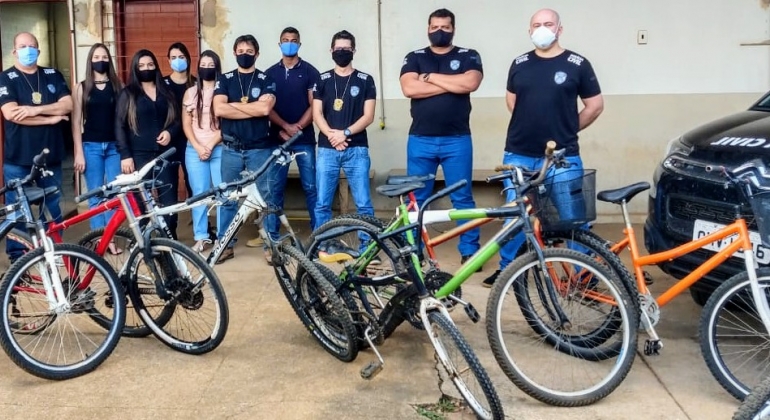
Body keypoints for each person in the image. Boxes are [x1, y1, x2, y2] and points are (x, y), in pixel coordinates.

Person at [482, 8, 604, 287]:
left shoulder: (577, 64)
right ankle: (507, 270)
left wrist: (566, 129)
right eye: (536, 24)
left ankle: (583, 275)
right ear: (529, 30)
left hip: (563, 157)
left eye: (548, 24)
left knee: (572, 219)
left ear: (560, 29)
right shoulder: (520, 63)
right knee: (514, 217)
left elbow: (595, 106)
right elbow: (512, 100)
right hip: (518, 154)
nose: (542, 29)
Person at [399, 8, 484, 268]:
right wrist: (450, 84)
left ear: (453, 29)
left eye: (445, 28)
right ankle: (414, 250)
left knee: (463, 198)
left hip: (456, 140)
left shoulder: (468, 55)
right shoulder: (414, 57)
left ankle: (469, 251)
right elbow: (408, 88)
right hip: (420, 139)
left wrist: (429, 78)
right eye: (435, 27)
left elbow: (469, 84)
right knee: (417, 198)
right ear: (427, 28)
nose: (440, 32)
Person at [0, 32, 72, 262]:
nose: (28, 50)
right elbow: (11, 114)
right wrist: (51, 118)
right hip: (18, 158)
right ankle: (18, 256)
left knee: (51, 206)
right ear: (14, 51)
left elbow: (68, 105)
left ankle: (54, 250)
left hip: (49, 158)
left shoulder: (52, 75)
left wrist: (33, 110)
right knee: (17, 211)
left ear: (39, 51)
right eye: (23, 46)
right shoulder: (6, 78)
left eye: (32, 46)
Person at [246, 26, 320, 248]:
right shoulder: (269, 74)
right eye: (285, 40)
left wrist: (298, 127)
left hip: (304, 139)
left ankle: (319, 235)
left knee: (311, 188)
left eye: (293, 40)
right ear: (279, 45)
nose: (290, 43)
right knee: (274, 189)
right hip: (277, 140)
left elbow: (314, 105)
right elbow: (266, 107)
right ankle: (271, 237)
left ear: (299, 44)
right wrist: (285, 126)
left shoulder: (310, 72)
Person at [212, 34, 278, 264]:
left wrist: (235, 107)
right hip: (231, 149)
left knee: (267, 199)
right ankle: (225, 245)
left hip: (259, 149)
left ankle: (271, 246)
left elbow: (265, 110)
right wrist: (252, 107)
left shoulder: (265, 79)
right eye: (240, 51)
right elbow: (219, 110)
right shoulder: (225, 79)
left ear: (257, 54)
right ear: (234, 53)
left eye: (249, 51)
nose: (244, 55)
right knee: (228, 199)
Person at [312, 30, 377, 239]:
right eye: (338, 49)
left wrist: (345, 133)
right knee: (322, 203)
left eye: (346, 49)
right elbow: (317, 113)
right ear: (331, 50)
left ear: (354, 51)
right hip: (327, 149)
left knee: (364, 204)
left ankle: (367, 247)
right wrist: (333, 136)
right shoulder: (321, 80)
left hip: (357, 149)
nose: (341, 52)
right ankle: (323, 244)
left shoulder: (366, 80)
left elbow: (368, 116)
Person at [115, 49, 182, 239]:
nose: (146, 69)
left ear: (156, 67)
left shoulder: (166, 91)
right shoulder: (128, 94)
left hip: (164, 155)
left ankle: (170, 240)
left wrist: (170, 132)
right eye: (142, 66)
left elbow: (177, 119)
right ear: (136, 68)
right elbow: (119, 126)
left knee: (169, 202)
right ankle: (144, 241)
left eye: (150, 65)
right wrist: (125, 155)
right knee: (141, 203)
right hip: (138, 156)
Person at [72, 42, 123, 254]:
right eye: (96, 57)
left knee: (112, 195)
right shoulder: (81, 87)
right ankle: (99, 239)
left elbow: (123, 118)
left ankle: (111, 239)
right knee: (95, 195)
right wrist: (78, 152)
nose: (100, 61)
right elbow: (76, 122)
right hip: (91, 146)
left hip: (114, 147)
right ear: (90, 61)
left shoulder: (117, 85)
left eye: (104, 57)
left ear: (108, 60)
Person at [182, 50, 223, 252]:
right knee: (199, 194)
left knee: (223, 194)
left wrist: (210, 145)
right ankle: (201, 237)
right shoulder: (190, 93)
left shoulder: (223, 91)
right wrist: (199, 147)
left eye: (211, 64)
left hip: (219, 149)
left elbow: (226, 125)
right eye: (203, 64)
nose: (207, 68)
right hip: (194, 151)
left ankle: (224, 238)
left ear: (217, 67)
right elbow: (186, 124)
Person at [163, 42, 196, 200]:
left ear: (188, 59)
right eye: (174, 57)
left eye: (181, 57)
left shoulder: (196, 83)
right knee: (169, 184)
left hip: (192, 140)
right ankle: (170, 223)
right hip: (169, 141)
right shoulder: (161, 85)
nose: (177, 60)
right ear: (168, 61)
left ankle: (199, 222)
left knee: (193, 182)